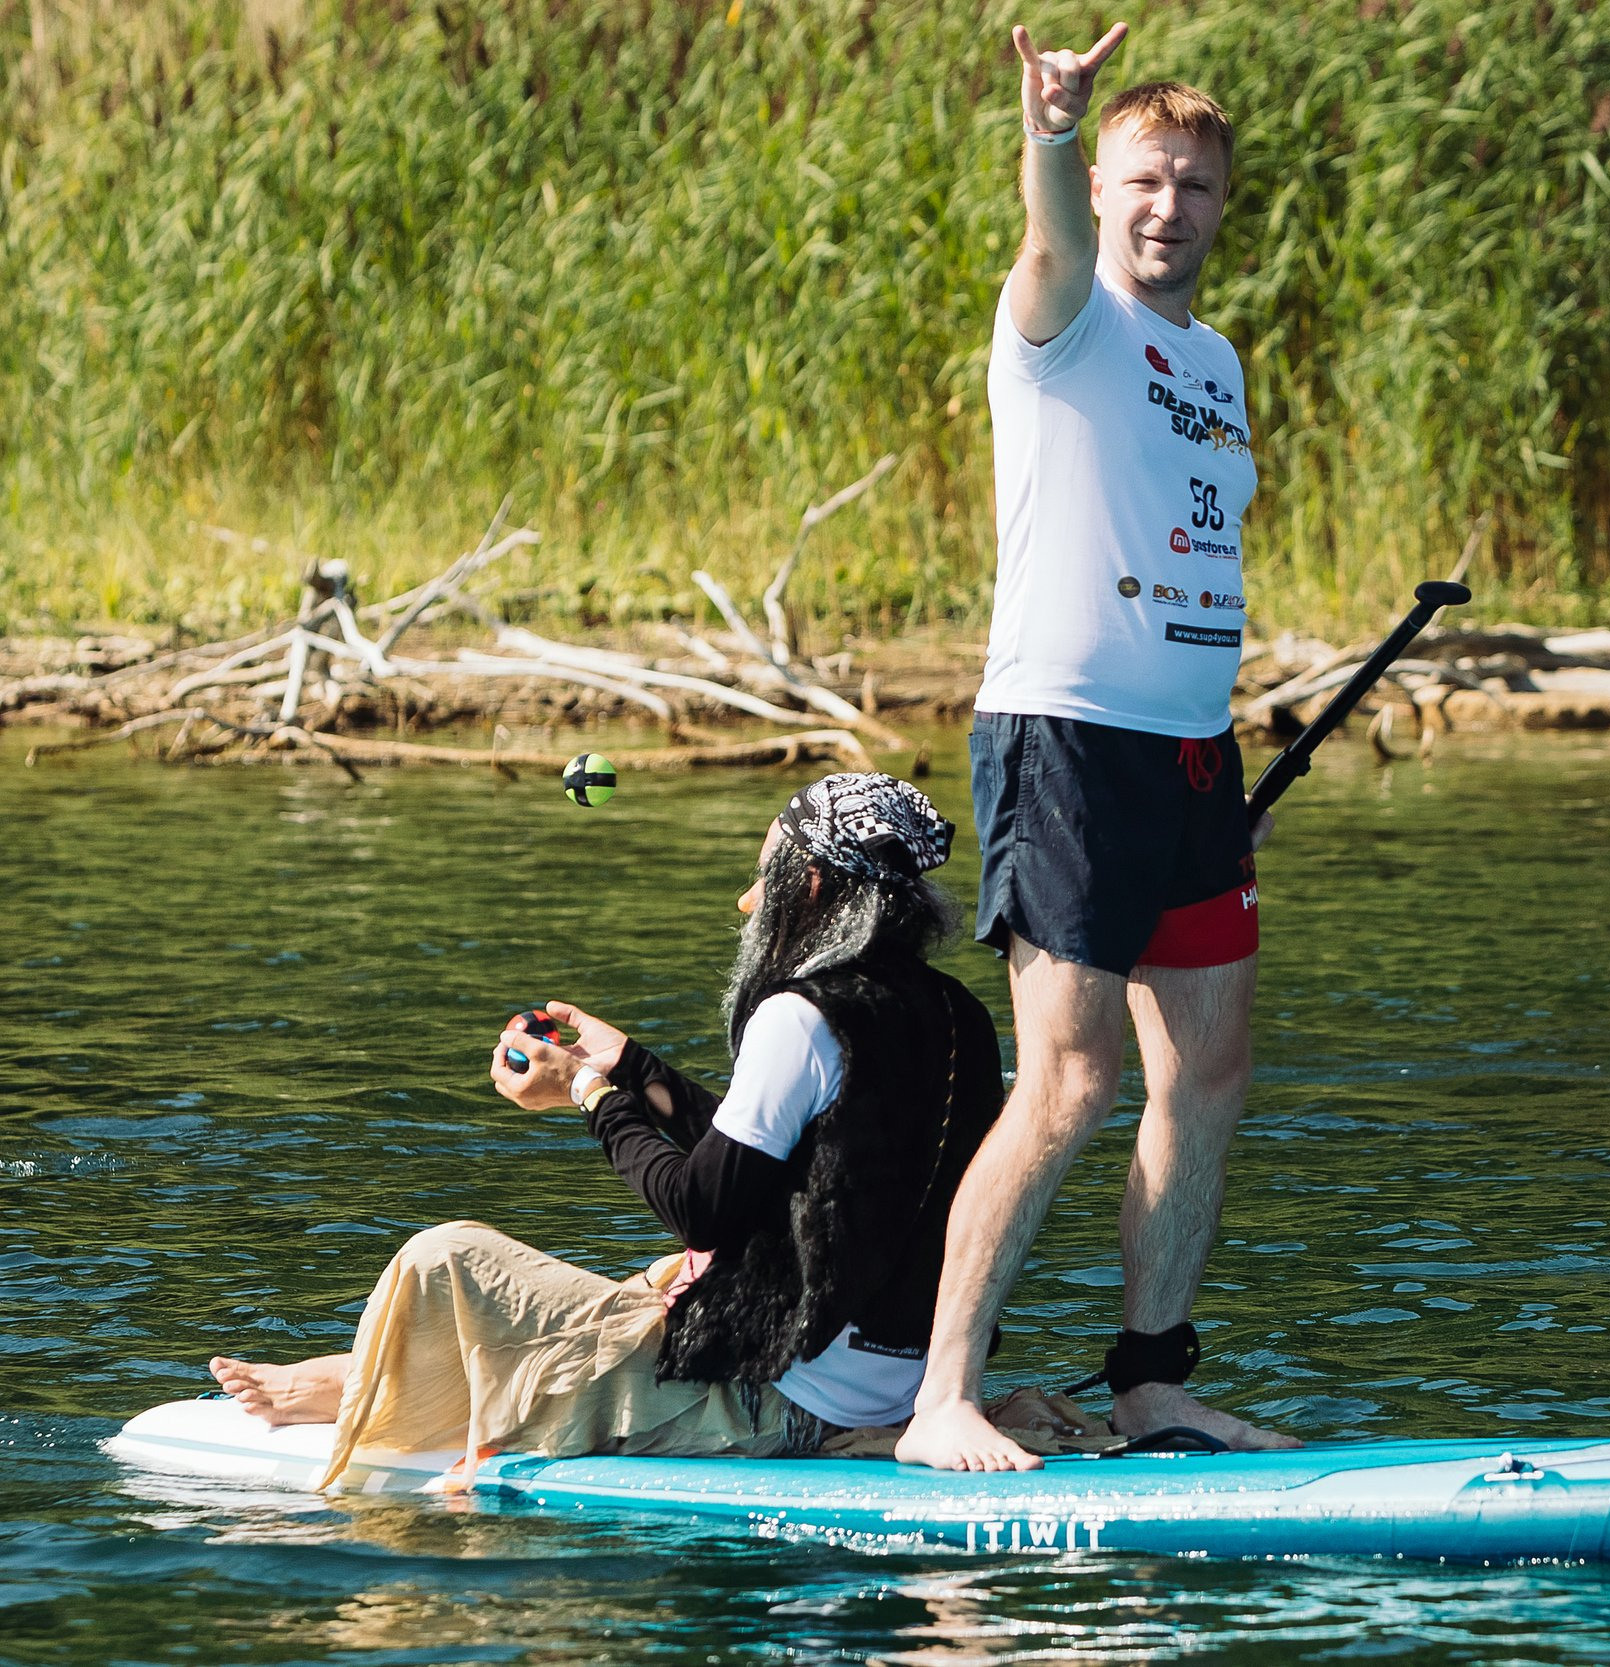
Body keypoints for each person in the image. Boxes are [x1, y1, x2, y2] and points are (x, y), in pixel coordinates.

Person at [895, 20, 1295, 1473]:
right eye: (1145, 177)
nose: (1167, 206)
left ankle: (1151, 1382)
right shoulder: (1063, 319)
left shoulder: (1218, 357)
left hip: (1193, 756)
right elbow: (1052, 236)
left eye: (1194, 185)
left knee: (1208, 1065)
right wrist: (1054, 132)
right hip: (1064, 740)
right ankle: (944, 1394)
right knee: (1067, 1080)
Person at [207, 774, 1011, 1485]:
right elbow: (785, 1160)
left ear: (807, 884)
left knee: (444, 1258)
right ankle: (355, 1377)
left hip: (780, 1401)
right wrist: (633, 1065)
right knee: (665, 1282)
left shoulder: (802, 1015)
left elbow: (703, 1208)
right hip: (903, 1383)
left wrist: (590, 1093)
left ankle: (353, 1390)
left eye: (760, 876)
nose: (745, 900)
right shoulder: (962, 1016)